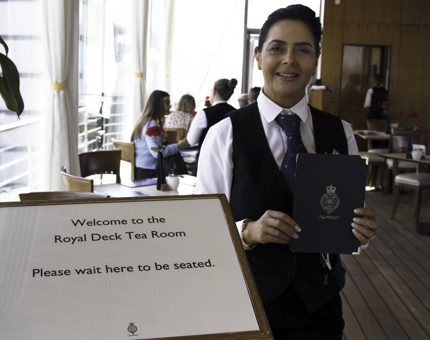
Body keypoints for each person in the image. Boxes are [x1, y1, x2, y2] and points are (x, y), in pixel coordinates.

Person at [195, 5, 379, 339]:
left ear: (316, 59)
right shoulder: (225, 134)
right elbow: (201, 231)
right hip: (246, 303)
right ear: (258, 56)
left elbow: (347, 226)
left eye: (303, 50)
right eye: (277, 48)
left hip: (320, 306)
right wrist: (247, 231)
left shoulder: (342, 133)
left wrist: (362, 233)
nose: (289, 60)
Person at [131, 90, 188, 180]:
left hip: (141, 170)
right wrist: (178, 146)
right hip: (149, 173)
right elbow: (157, 152)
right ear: (157, 103)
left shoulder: (144, 120)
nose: (169, 106)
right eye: (167, 102)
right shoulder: (151, 123)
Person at [185, 78, 237, 175]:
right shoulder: (236, 113)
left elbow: (192, 140)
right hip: (231, 166)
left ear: (214, 91)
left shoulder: (204, 113)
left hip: (206, 164)